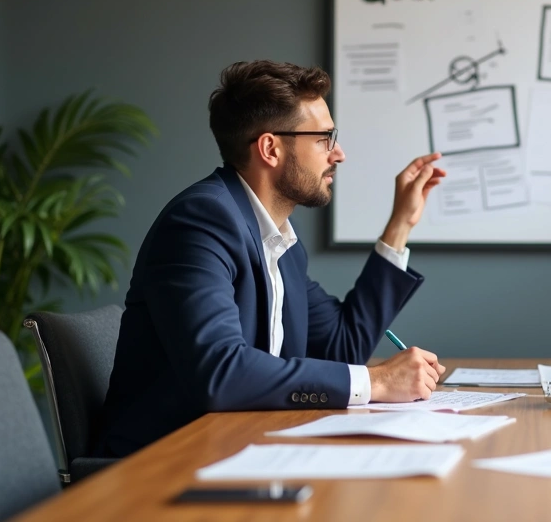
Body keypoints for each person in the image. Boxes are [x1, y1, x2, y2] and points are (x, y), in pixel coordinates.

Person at [98, 60, 447, 457]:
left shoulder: (280, 242)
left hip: (242, 448)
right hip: (160, 466)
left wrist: (400, 225)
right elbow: (221, 372)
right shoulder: (200, 223)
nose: (339, 154)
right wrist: (377, 381)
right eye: (324, 138)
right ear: (270, 148)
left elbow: (341, 346)